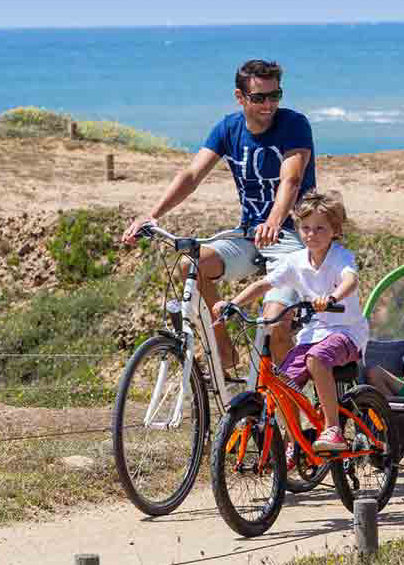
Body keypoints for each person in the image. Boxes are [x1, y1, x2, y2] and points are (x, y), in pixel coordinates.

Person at [120, 59, 316, 371]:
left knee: (275, 325)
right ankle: (223, 346)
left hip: (290, 235)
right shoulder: (228, 129)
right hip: (249, 234)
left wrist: (275, 220)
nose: (269, 105)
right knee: (191, 263)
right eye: (259, 98)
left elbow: (291, 179)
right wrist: (152, 214)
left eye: (275, 96)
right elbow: (191, 175)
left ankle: (297, 407)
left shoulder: (294, 124)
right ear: (240, 97)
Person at [215, 191, 368, 452]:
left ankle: (333, 429)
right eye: (305, 228)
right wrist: (234, 304)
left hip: (346, 332)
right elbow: (264, 283)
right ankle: (293, 442)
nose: (312, 234)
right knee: (282, 381)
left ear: (335, 230)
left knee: (316, 359)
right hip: (313, 334)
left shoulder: (340, 256)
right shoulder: (295, 261)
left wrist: (332, 297)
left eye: (320, 228)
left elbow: (350, 280)